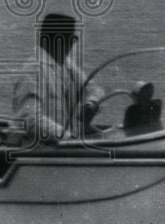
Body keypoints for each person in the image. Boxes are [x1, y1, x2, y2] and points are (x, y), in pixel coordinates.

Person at [12, 13, 103, 145]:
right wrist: (69, 138)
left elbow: (93, 88)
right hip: (38, 153)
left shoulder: (66, 65)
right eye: (72, 39)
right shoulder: (32, 72)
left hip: (64, 147)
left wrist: (91, 102)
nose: (73, 45)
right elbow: (30, 120)